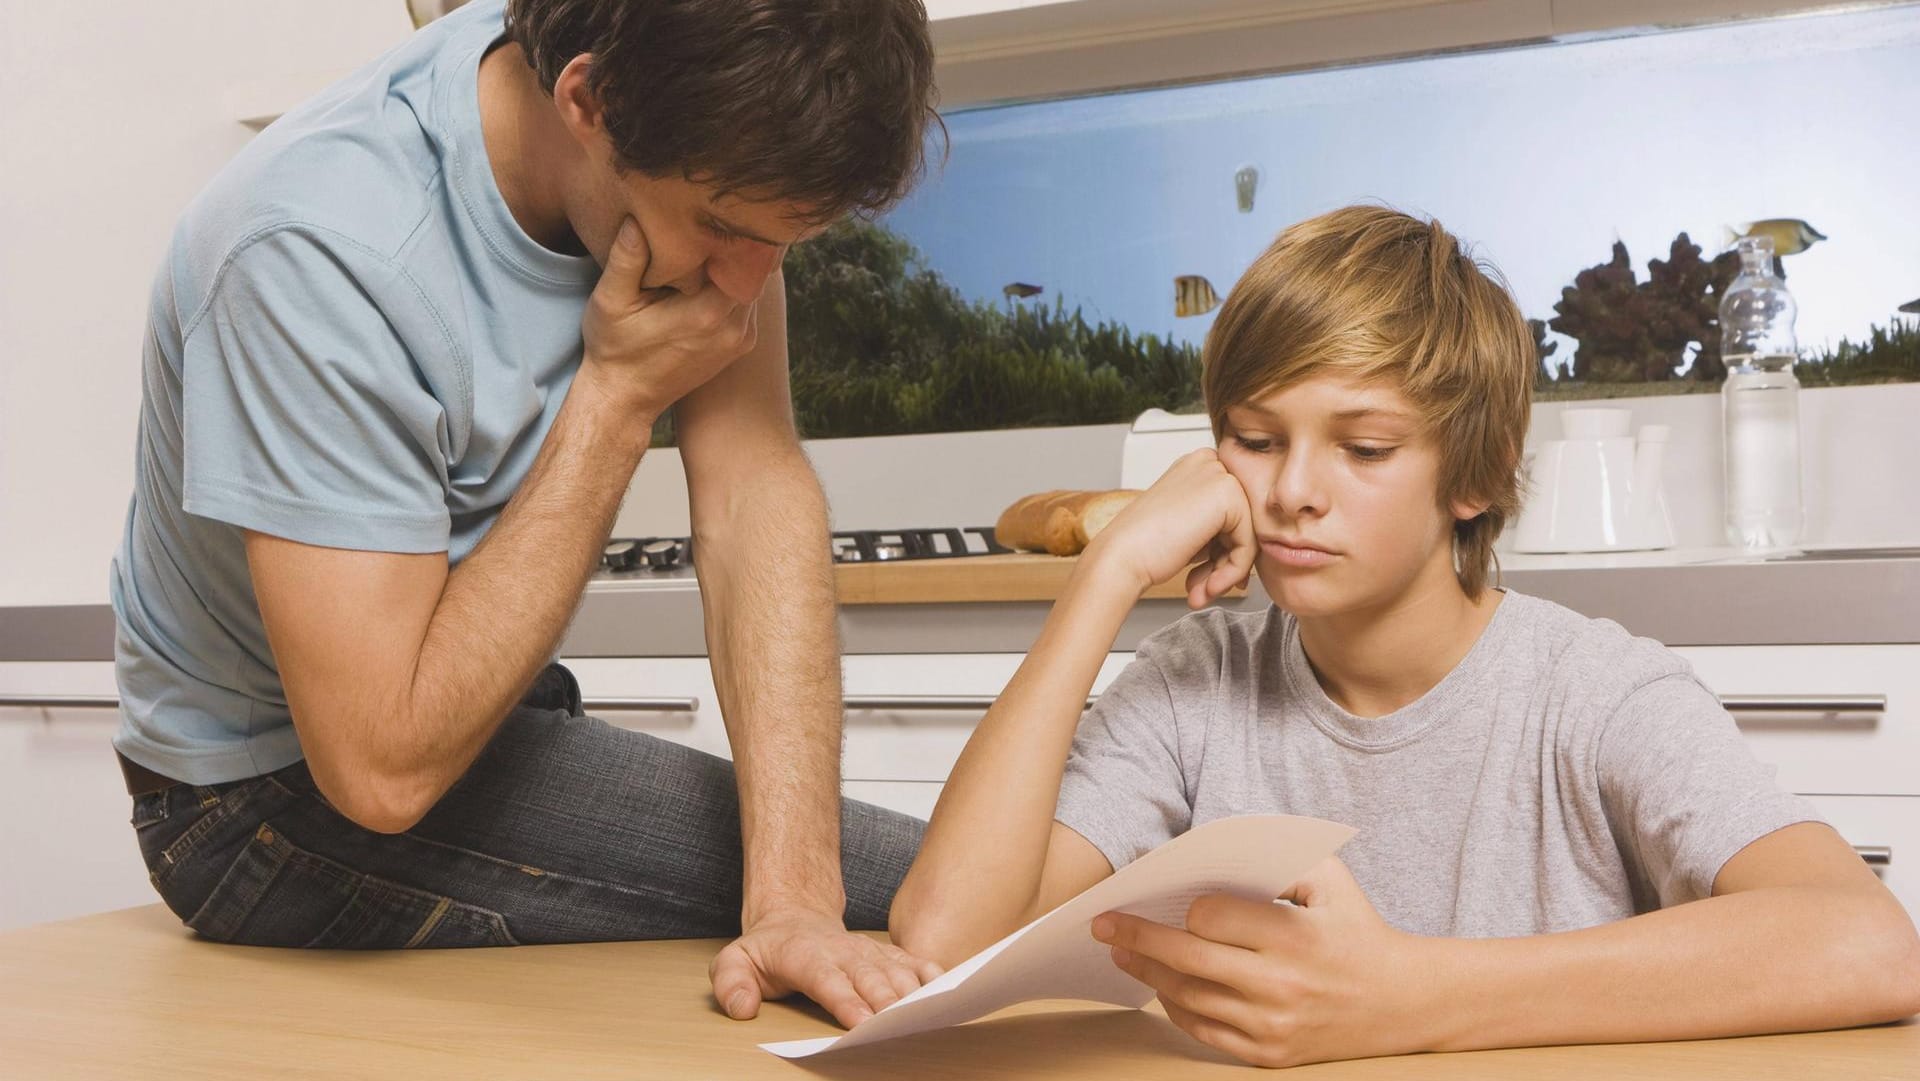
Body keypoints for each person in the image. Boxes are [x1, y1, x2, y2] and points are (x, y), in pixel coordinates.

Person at [890, 205, 1920, 1066]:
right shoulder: (1193, 682)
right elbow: (944, 941)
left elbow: (1868, 943)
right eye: (1254, 440)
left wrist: (1405, 995)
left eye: (1364, 448)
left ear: (1476, 474)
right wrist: (1106, 575)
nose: (1293, 491)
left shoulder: (1595, 692)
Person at [110, 0, 945, 1028]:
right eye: (726, 229)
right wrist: (614, 402)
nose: (748, 285)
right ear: (585, 100)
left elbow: (753, 481)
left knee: (933, 887)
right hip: (259, 804)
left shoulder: (695, 123)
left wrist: (795, 899)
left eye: (782, 241)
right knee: (939, 893)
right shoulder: (313, 251)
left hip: (489, 721)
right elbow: (378, 770)